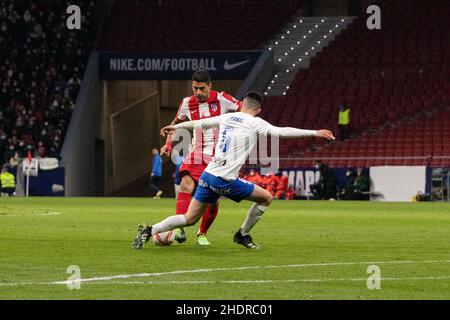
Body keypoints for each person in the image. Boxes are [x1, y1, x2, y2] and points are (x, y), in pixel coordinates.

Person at [132, 91, 335, 249]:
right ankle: (242, 234)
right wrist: (314, 132)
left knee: (189, 218)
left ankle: (149, 230)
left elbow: (201, 123)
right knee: (266, 198)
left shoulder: (228, 118)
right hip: (224, 179)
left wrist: (175, 127)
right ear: (259, 109)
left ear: (243, 104)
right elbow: (281, 132)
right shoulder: (256, 122)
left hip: (208, 174)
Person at [159, 70, 241, 246]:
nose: (198, 92)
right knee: (185, 184)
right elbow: (175, 124)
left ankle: (202, 233)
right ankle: (180, 228)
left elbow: (243, 110)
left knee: (213, 199)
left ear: (210, 85)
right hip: (196, 152)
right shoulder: (187, 103)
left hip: (218, 156)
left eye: (202, 88)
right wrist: (168, 144)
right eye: (195, 88)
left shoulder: (222, 99)